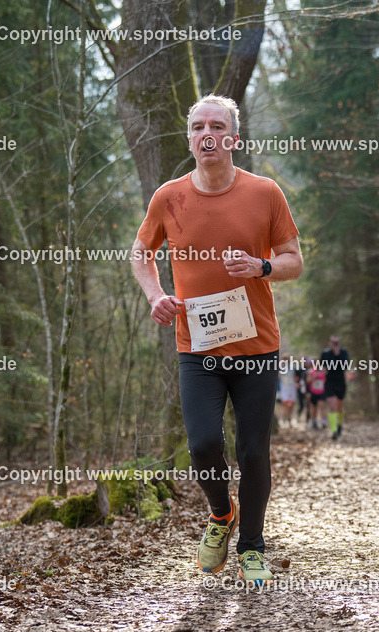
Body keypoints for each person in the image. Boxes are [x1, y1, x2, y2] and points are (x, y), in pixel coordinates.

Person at [130, 94, 303, 586]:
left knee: (252, 451)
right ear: (189, 138)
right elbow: (140, 254)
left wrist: (262, 266)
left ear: (233, 138)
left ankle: (252, 546)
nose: (207, 134)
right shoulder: (169, 197)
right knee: (204, 444)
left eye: (217, 126)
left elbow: (294, 258)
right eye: (197, 126)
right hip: (197, 348)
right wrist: (155, 295)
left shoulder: (266, 192)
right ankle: (221, 515)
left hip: (256, 348)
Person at [321, 336, 349, 439]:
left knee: (339, 407)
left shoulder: (343, 353)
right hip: (330, 382)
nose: (334, 344)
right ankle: (334, 431)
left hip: (340, 381)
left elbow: (346, 366)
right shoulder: (325, 354)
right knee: (332, 406)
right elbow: (323, 366)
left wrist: (337, 354)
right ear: (330, 343)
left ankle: (340, 424)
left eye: (336, 342)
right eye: (333, 342)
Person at [306, 359, 326, 430]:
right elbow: (308, 381)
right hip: (313, 392)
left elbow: (326, 380)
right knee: (314, 408)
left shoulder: (323, 371)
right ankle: (314, 422)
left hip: (321, 391)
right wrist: (314, 377)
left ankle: (323, 421)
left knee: (322, 406)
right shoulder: (311, 371)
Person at [278, 355, 297, 426]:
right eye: (285, 359)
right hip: (284, 387)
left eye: (287, 359)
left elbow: (296, 376)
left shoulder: (293, 367)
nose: (286, 361)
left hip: (292, 387)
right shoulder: (281, 368)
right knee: (285, 404)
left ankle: (290, 418)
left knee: (292, 403)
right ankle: (284, 418)